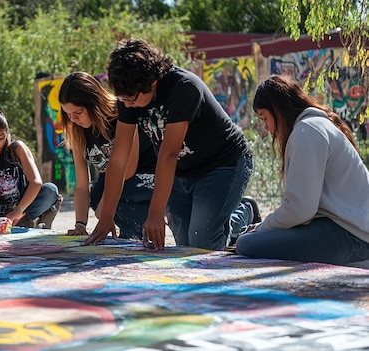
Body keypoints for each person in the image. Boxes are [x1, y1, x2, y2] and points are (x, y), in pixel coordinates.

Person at [87, 38, 259, 250]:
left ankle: (243, 211)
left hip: (222, 165)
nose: (128, 105)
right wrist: (106, 217)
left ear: (151, 83)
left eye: (131, 99)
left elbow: (168, 153)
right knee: (185, 246)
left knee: (202, 244)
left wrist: (155, 214)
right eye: (124, 100)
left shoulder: (184, 87)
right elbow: (119, 158)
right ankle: (221, 220)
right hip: (180, 172)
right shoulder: (129, 94)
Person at [236, 75, 369, 264]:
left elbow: (300, 209)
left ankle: (248, 214)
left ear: (278, 110)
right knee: (254, 238)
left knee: (246, 244)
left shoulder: (307, 131)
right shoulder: (311, 127)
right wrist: (264, 227)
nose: (266, 127)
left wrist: (263, 228)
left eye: (264, 117)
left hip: (353, 237)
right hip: (346, 229)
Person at [58, 71, 155, 239]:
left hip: (147, 176)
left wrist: (106, 207)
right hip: (116, 178)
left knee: (115, 199)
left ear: (93, 103)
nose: (73, 119)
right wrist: (80, 224)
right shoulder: (77, 130)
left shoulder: (122, 113)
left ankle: (139, 232)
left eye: (78, 112)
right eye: (68, 114)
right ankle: (130, 233)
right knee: (96, 195)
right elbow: (82, 185)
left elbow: (129, 168)